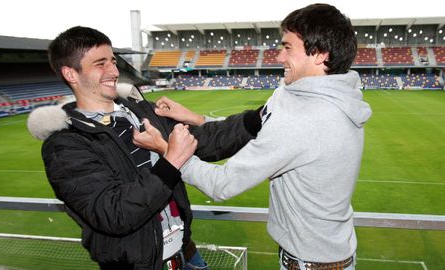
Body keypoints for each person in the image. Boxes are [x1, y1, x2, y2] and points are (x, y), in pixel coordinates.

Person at [148, 4, 372, 270]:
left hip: (312, 263)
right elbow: (260, 126)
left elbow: (222, 184)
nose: (278, 57)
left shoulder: (306, 117)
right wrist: (195, 118)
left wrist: (168, 153)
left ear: (320, 55)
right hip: (319, 255)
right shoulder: (302, 95)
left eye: (287, 47)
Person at [26, 26, 262, 270]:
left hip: (188, 256)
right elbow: (114, 214)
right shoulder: (66, 144)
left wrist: (259, 118)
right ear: (71, 74)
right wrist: (170, 162)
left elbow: (206, 140)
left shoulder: (142, 111)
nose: (114, 71)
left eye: (113, 61)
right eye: (100, 64)